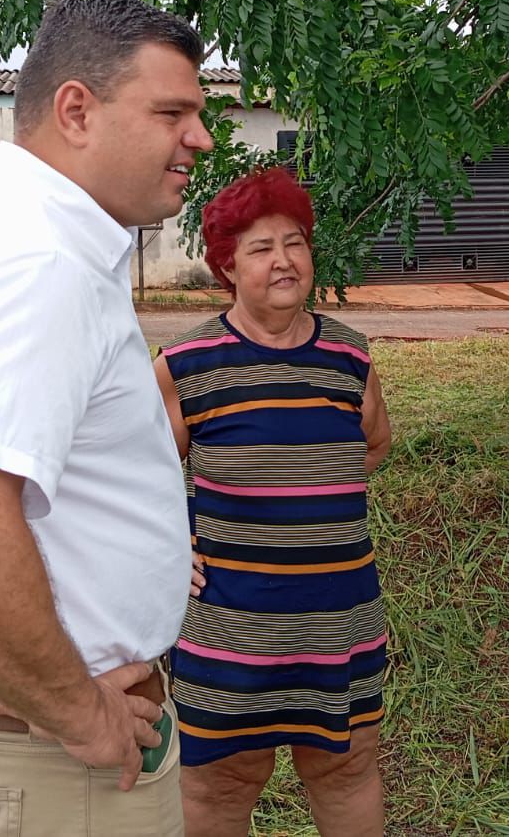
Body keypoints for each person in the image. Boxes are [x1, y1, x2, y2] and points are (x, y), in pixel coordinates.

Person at [0, 0, 214, 835]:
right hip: (49, 767)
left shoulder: (28, 241)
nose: (200, 139)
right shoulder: (34, 262)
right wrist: (77, 711)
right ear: (76, 111)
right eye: (173, 112)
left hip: (42, 759)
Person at [152, 167, 392, 837]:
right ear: (228, 266)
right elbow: (135, 481)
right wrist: (173, 541)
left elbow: (373, 445)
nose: (284, 261)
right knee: (219, 785)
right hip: (230, 627)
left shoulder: (350, 356)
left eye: (295, 242)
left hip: (337, 621)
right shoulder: (187, 363)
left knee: (346, 771)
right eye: (261, 248)